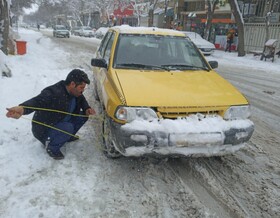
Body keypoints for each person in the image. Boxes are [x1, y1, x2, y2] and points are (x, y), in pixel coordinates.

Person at [6, 69, 96, 160]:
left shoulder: (75, 92)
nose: (83, 90)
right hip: (45, 129)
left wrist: (86, 108)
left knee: (82, 116)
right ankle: (51, 147)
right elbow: (37, 101)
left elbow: (81, 99)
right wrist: (22, 109)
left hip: (61, 121)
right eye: (81, 87)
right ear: (72, 84)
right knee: (68, 127)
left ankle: (67, 136)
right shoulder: (53, 92)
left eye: (84, 88)